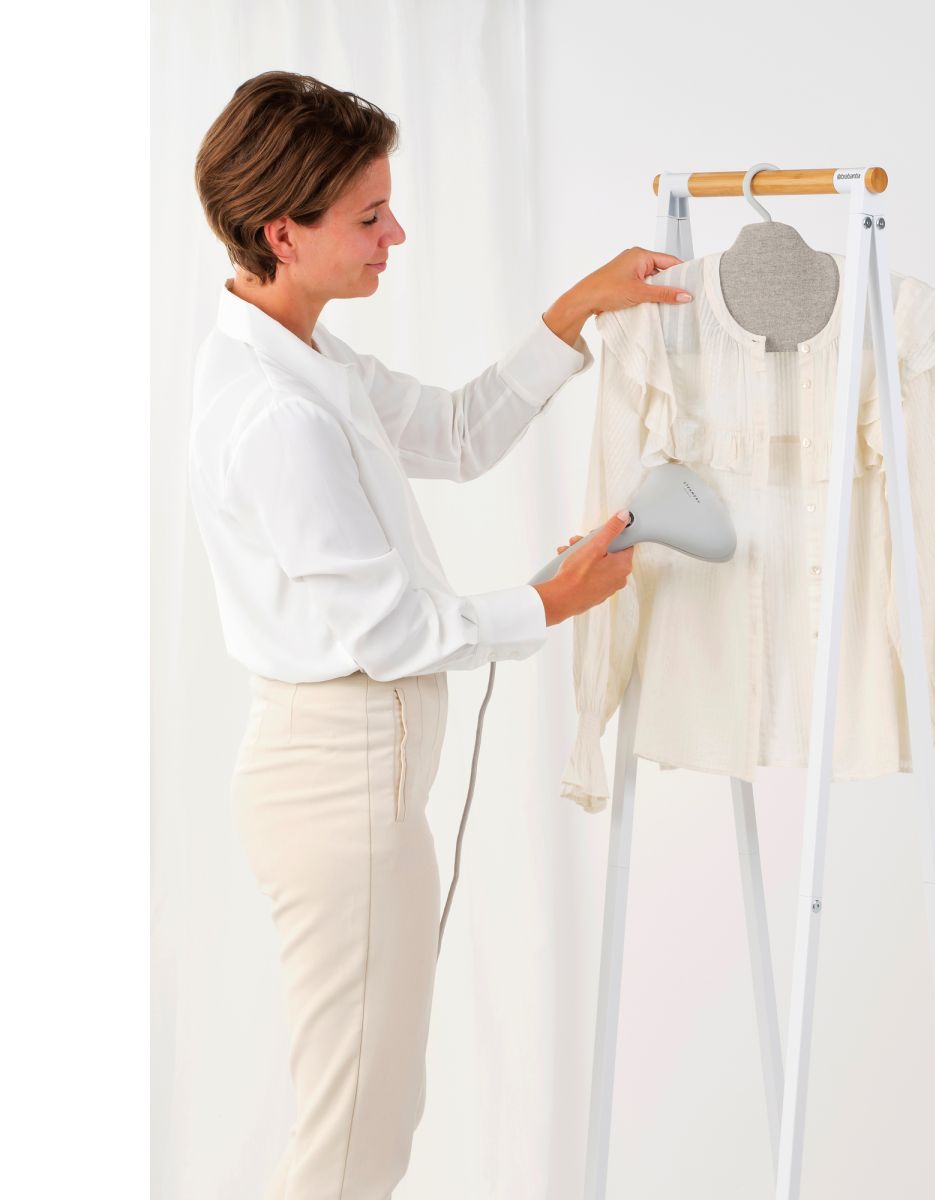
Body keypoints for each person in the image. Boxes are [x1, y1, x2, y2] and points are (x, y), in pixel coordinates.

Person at [187, 70, 692, 1199]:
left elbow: (459, 434)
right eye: (370, 216)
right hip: (337, 790)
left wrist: (576, 309)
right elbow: (392, 630)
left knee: (368, 1119)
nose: (396, 236)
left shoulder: (306, 358)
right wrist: (550, 601)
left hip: (353, 784)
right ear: (282, 231)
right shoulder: (275, 413)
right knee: (353, 1142)